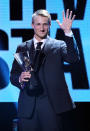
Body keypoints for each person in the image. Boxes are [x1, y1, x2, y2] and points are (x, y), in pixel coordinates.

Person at [10, 9, 80, 131]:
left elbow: (73, 58)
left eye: (45, 24)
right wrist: (20, 78)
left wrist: (68, 32)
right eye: (38, 24)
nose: (41, 28)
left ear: (49, 25)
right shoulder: (22, 47)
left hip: (51, 107)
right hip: (28, 107)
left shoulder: (59, 45)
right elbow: (13, 75)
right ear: (32, 25)